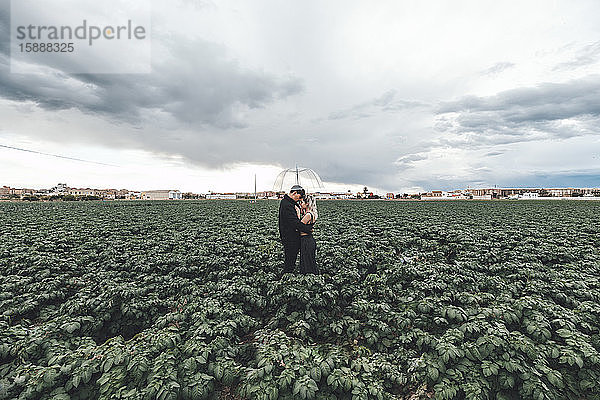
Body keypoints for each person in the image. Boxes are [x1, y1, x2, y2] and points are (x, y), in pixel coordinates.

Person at [278, 185, 313, 273]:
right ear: (294, 193)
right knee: (290, 260)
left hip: (291, 236)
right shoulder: (287, 205)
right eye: (299, 197)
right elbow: (294, 223)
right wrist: (308, 229)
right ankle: (286, 277)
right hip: (290, 238)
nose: (300, 199)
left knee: (291, 259)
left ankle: (288, 274)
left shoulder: (290, 203)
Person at [298, 194, 319, 274]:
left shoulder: (308, 215)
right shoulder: (312, 213)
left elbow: (299, 226)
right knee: (310, 261)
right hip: (309, 239)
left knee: (307, 263)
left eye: (302, 202)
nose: (301, 204)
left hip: (306, 240)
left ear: (307, 203)